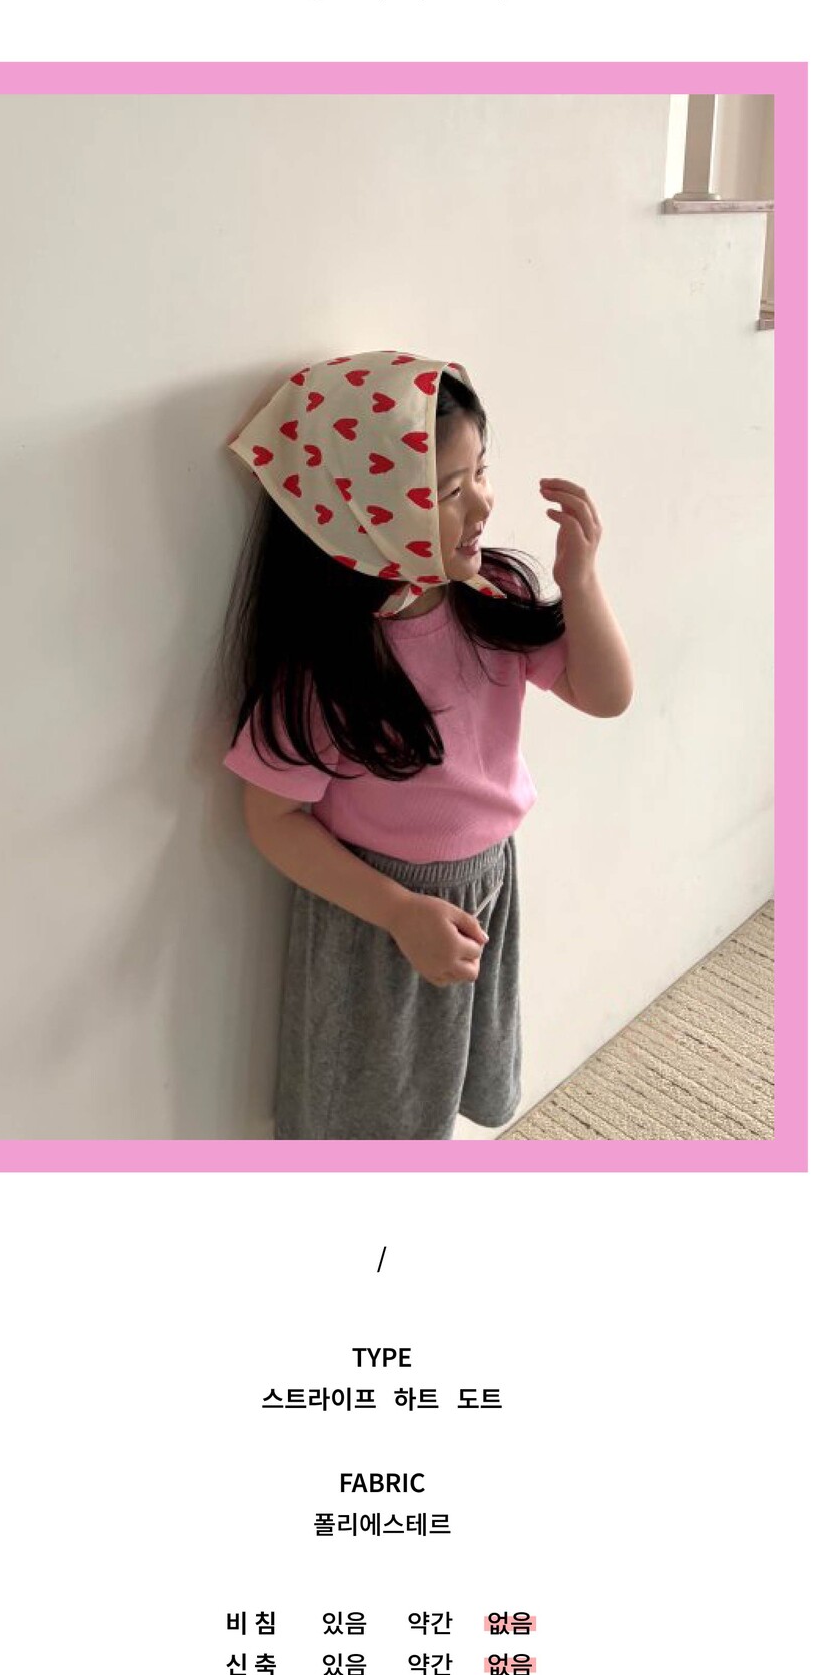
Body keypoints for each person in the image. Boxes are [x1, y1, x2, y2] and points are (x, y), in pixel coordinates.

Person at [221, 349, 633, 1139]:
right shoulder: (332, 666)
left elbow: (606, 695)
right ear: (365, 513)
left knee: (445, 1089)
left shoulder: (492, 598)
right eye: (448, 490)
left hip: (486, 885)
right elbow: (270, 818)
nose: (481, 503)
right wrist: (399, 911)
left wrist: (580, 581)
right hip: (377, 916)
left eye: (480, 472)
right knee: (370, 1113)